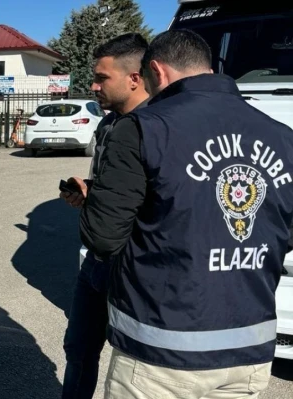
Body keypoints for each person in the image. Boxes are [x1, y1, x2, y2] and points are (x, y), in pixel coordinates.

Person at [79, 29, 293, 398]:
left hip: (160, 353)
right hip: (248, 351)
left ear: (157, 72)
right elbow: (282, 231)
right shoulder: (282, 136)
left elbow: (103, 235)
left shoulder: (144, 129)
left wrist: (95, 202)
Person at [59, 33, 150, 399]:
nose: (93, 85)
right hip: (96, 262)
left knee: (133, 361)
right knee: (79, 349)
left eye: (102, 78)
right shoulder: (108, 124)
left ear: (134, 77)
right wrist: (89, 194)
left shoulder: (157, 130)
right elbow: (120, 190)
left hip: (133, 266)